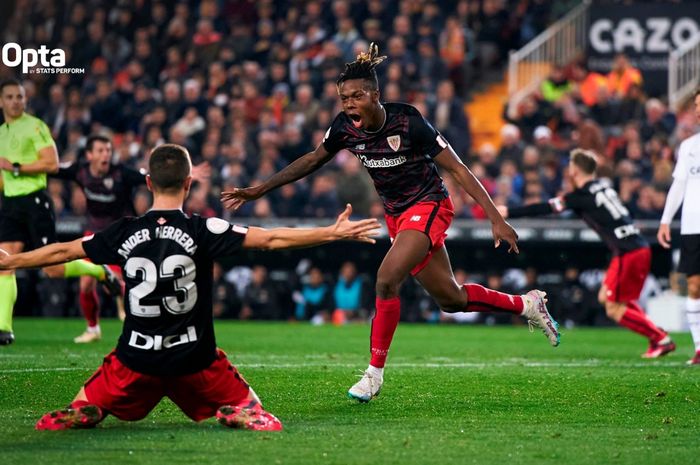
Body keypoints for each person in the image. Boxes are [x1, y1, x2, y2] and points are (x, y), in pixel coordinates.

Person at [221, 43, 560, 403]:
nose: (349, 103)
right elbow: (311, 160)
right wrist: (261, 189)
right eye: (343, 98)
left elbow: (457, 168)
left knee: (386, 280)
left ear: (375, 94)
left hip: (430, 205)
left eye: (356, 96)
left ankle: (373, 375)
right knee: (451, 299)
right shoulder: (344, 129)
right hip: (397, 215)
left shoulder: (408, 121)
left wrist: (496, 218)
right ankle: (526, 305)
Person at [0, 143, 381, 430]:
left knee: (88, 398)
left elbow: (66, 250)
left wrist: (13, 260)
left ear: (148, 183)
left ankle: (93, 406)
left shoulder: (122, 231)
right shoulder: (204, 228)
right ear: (187, 183)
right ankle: (241, 411)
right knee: (260, 412)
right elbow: (270, 240)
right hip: (196, 361)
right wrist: (331, 233)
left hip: (134, 361)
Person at [498, 148, 675, 358]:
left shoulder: (580, 196)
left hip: (628, 252)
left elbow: (546, 207)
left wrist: (509, 212)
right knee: (609, 299)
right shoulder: (603, 188)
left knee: (614, 308)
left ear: (574, 170)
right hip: (635, 247)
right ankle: (657, 336)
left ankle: (660, 339)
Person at [53, 134, 210, 343]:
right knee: (86, 285)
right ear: (89, 155)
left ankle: (135, 322)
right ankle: (93, 328)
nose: (106, 154)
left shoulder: (121, 173)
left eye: (108, 150)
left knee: (123, 282)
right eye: (100, 150)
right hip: (94, 232)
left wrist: (180, 174)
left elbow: (150, 176)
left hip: (122, 236)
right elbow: (53, 168)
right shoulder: (79, 170)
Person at [0, 79, 121, 346]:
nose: (15, 101)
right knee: (5, 261)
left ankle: (99, 271)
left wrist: (16, 167)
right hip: (10, 204)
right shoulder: (1, 133)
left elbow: (52, 163)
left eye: (19, 97)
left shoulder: (35, 126)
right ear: (1, 101)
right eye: (9, 97)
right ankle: (4, 329)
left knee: (52, 269)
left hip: (35, 201)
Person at [657, 88, 700, 366]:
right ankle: (699, 348)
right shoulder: (689, 146)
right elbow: (679, 185)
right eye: (696, 104)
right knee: (695, 286)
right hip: (692, 225)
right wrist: (665, 219)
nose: (697, 109)